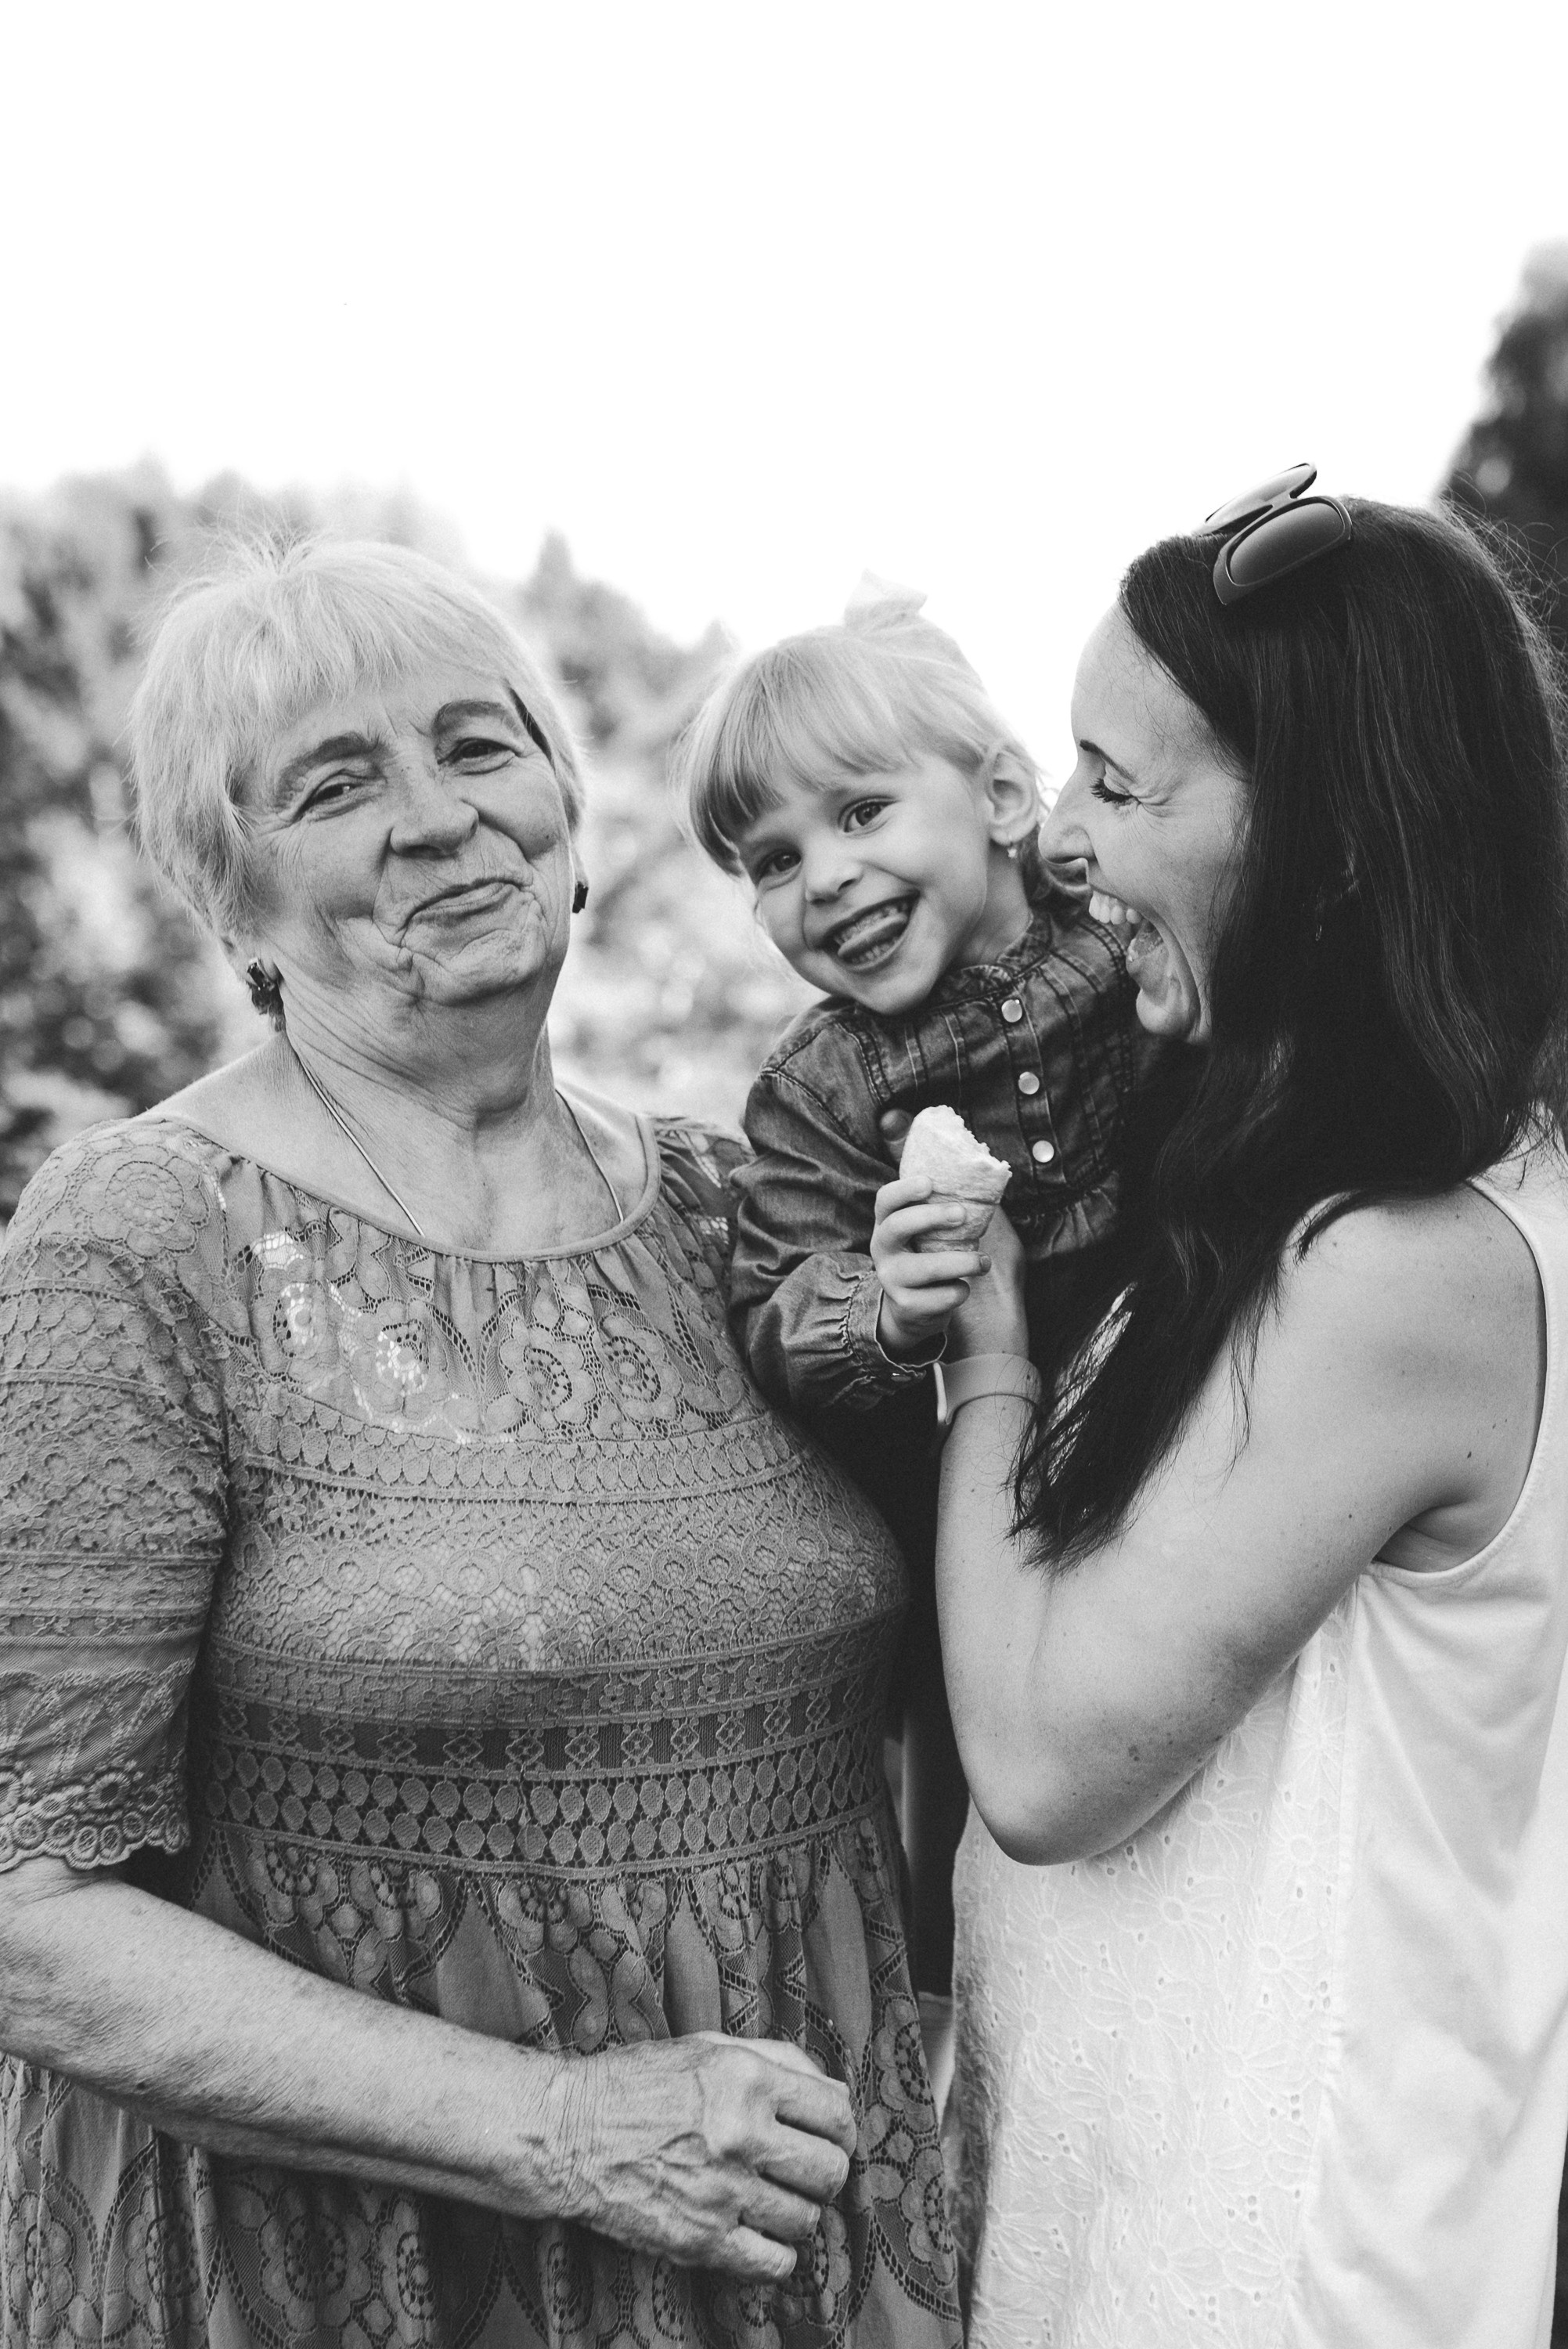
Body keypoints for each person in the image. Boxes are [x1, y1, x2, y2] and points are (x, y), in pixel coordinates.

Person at [0, 537, 961, 2349]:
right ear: (234, 904)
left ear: (576, 820)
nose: (442, 820)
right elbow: (28, 1905)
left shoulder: (742, 1210)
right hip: (354, 2276)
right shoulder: (138, 1239)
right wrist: (563, 2131)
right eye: (339, 785)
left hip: (792, 2254)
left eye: (481, 747)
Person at [886, 474, 1568, 2346]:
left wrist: (989, 1353)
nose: (1065, 847)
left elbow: (1042, 1764)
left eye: (1119, 783)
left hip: (1288, 2261)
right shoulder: (1321, 1205)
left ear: (1335, 841)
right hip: (1158, 2202)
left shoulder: (1402, 1272)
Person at [676, 594, 1163, 1990]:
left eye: (862, 813)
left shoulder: (1127, 930)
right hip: (994, 1499)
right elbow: (775, 1306)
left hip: (1189, 1411)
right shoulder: (824, 1087)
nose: (822, 878)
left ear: (1006, 794)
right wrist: (881, 1309)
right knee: (980, 1780)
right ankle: (953, 1990)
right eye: (771, 859)